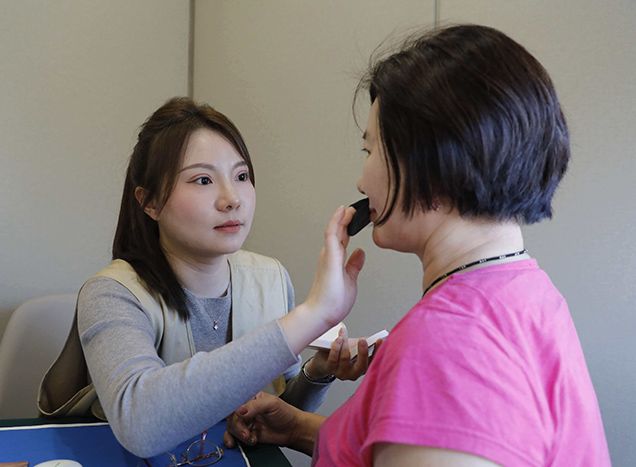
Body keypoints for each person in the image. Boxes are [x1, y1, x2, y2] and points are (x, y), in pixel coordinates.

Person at [226, 25, 611, 466]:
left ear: (432, 159)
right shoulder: (525, 290)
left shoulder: (447, 344)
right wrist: (298, 428)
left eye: (370, 151)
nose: (361, 181)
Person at [37, 97, 371, 458]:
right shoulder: (110, 293)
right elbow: (139, 424)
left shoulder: (270, 278)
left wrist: (317, 372)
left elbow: (274, 415)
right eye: (203, 180)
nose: (231, 199)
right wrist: (312, 315)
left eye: (241, 176)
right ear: (150, 202)